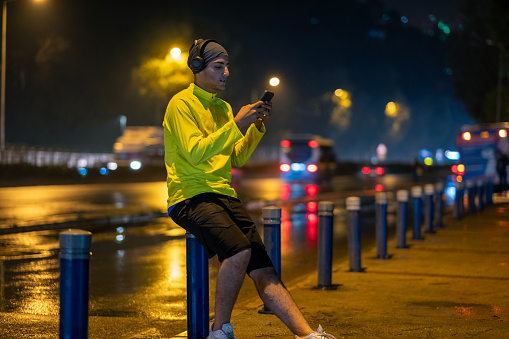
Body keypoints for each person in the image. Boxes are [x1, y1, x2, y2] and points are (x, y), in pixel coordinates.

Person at [163, 39, 336, 339]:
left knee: (264, 270)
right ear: (197, 67)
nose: (226, 73)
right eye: (219, 66)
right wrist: (237, 124)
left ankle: (306, 335)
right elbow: (194, 152)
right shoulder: (181, 104)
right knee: (238, 251)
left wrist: (253, 127)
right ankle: (219, 332)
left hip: (224, 196)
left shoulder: (222, 108)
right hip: (190, 196)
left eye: (227, 66)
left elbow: (237, 156)